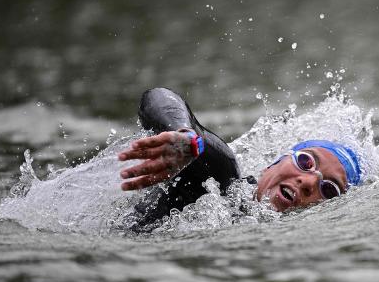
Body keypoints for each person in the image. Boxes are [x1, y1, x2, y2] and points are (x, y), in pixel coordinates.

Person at [118, 88, 361, 229]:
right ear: (274, 163)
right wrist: (185, 137)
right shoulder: (221, 182)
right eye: (307, 162)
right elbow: (159, 96)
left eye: (329, 190)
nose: (309, 183)